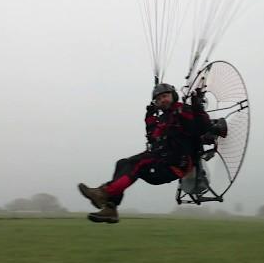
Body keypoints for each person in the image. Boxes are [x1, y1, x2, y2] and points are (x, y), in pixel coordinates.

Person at [78, 83, 214, 224]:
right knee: (123, 163)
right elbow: (153, 137)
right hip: (159, 161)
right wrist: (149, 117)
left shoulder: (182, 110)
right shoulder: (163, 119)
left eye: (165, 96)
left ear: (173, 96)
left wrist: (198, 107)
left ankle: (104, 193)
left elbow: (203, 127)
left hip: (173, 165)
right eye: (159, 99)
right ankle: (110, 209)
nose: (162, 100)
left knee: (137, 163)